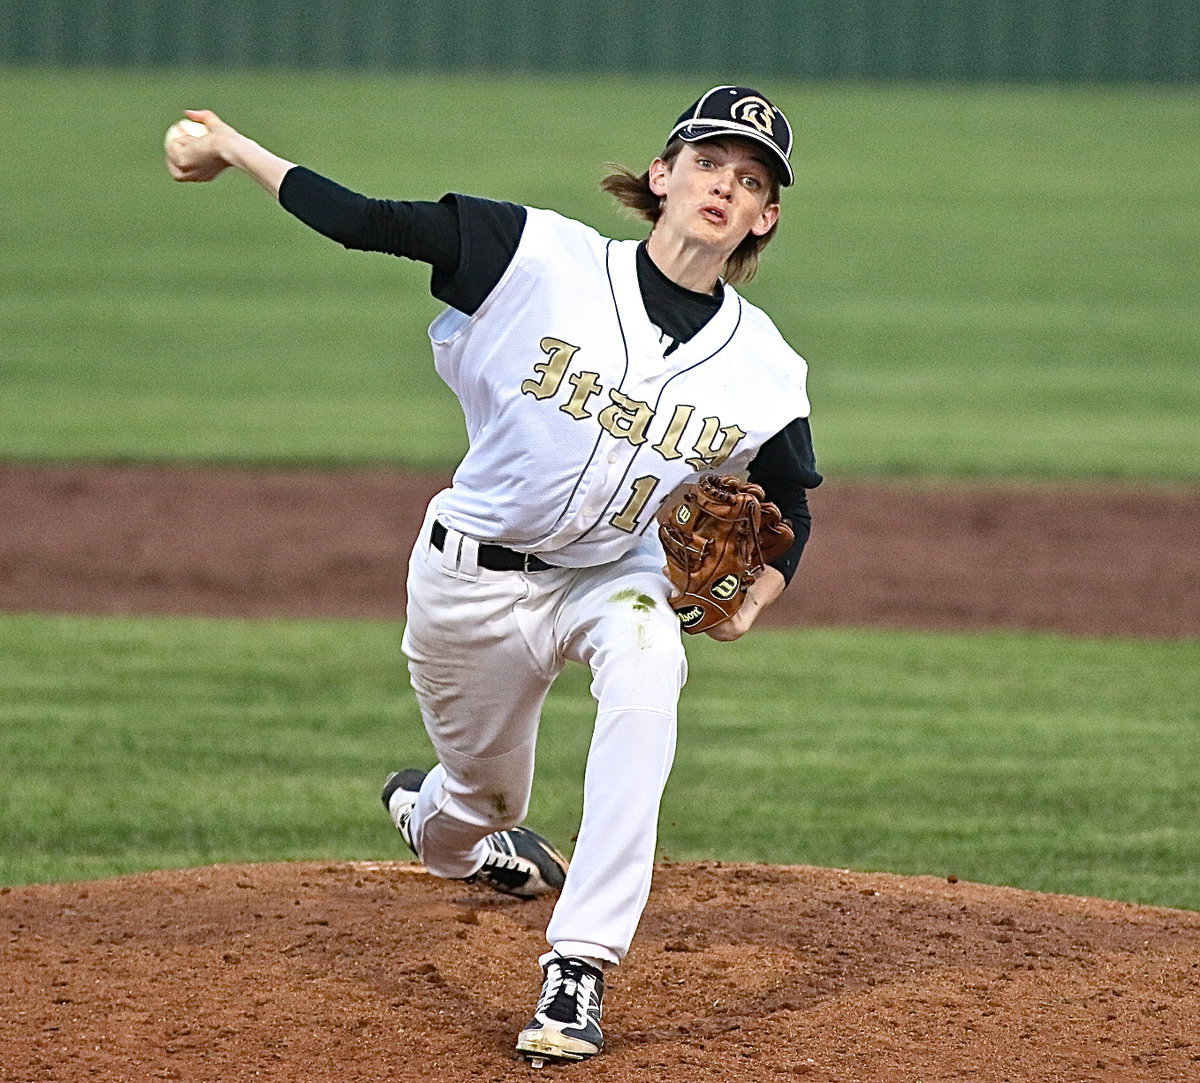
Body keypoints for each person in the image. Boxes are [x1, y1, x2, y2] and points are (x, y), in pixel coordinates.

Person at [166, 84, 822, 1065]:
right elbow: (361, 222)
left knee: (651, 668)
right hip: (469, 579)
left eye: (749, 180)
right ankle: (451, 823)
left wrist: (755, 600)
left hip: (614, 576)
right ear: (662, 174)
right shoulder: (537, 256)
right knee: (474, 812)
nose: (723, 186)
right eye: (708, 163)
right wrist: (234, 148)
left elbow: (792, 505)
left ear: (764, 217)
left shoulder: (764, 366)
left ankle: (579, 967)